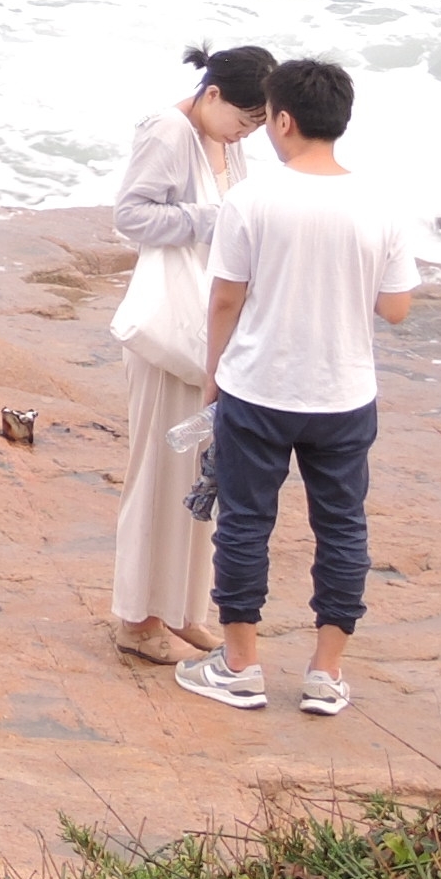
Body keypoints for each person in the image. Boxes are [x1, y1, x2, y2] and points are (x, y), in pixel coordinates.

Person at [176, 56, 421, 718]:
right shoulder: (380, 204)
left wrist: (211, 382)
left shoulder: (252, 199)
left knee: (246, 523)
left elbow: (226, 299)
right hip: (343, 393)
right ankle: (326, 673)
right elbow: (396, 308)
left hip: (258, 386)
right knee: (341, 529)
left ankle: (240, 666)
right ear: (339, 120)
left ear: (283, 120)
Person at [107, 40, 272, 663]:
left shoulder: (221, 140)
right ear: (212, 95)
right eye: (243, 119)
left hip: (205, 328)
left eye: (258, 126)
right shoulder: (168, 131)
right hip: (167, 332)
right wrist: (213, 219)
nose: (246, 135)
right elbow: (132, 215)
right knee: (158, 470)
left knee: (201, 472)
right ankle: (138, 619)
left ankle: (182, 610)